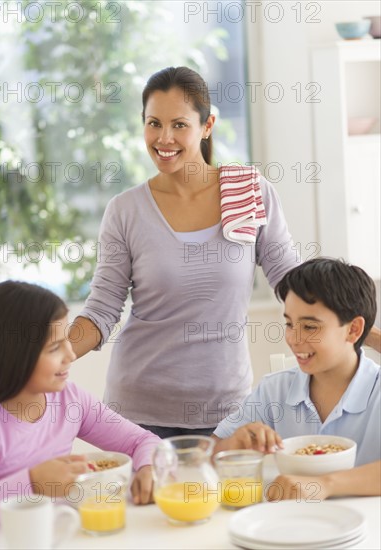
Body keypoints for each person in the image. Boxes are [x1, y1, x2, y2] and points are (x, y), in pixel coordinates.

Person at [69, 66, 380, 438]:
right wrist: (41, 361)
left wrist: (372, 338)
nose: (164, 138)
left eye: (179, 125)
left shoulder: (248, 193)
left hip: (227, 411)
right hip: (139, 411)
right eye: (154, 123)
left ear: (207, 125)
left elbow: (297, 287)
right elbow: (102, 311)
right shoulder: (126, 211)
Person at [0, 281, 161, 528]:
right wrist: (32, 482)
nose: (71, 355)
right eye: (55, 347)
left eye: (67, 340)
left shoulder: (69, 400)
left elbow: (141, 441)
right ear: (16, 356)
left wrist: (148, 467)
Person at [212, 258, 381, 501]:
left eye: (310, 327)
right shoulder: (274, 390)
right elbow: (206, 457)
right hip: (292, 526)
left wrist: (324, 485)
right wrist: (234, 445)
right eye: (289, 324)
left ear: (353, 329)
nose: (293, 338)